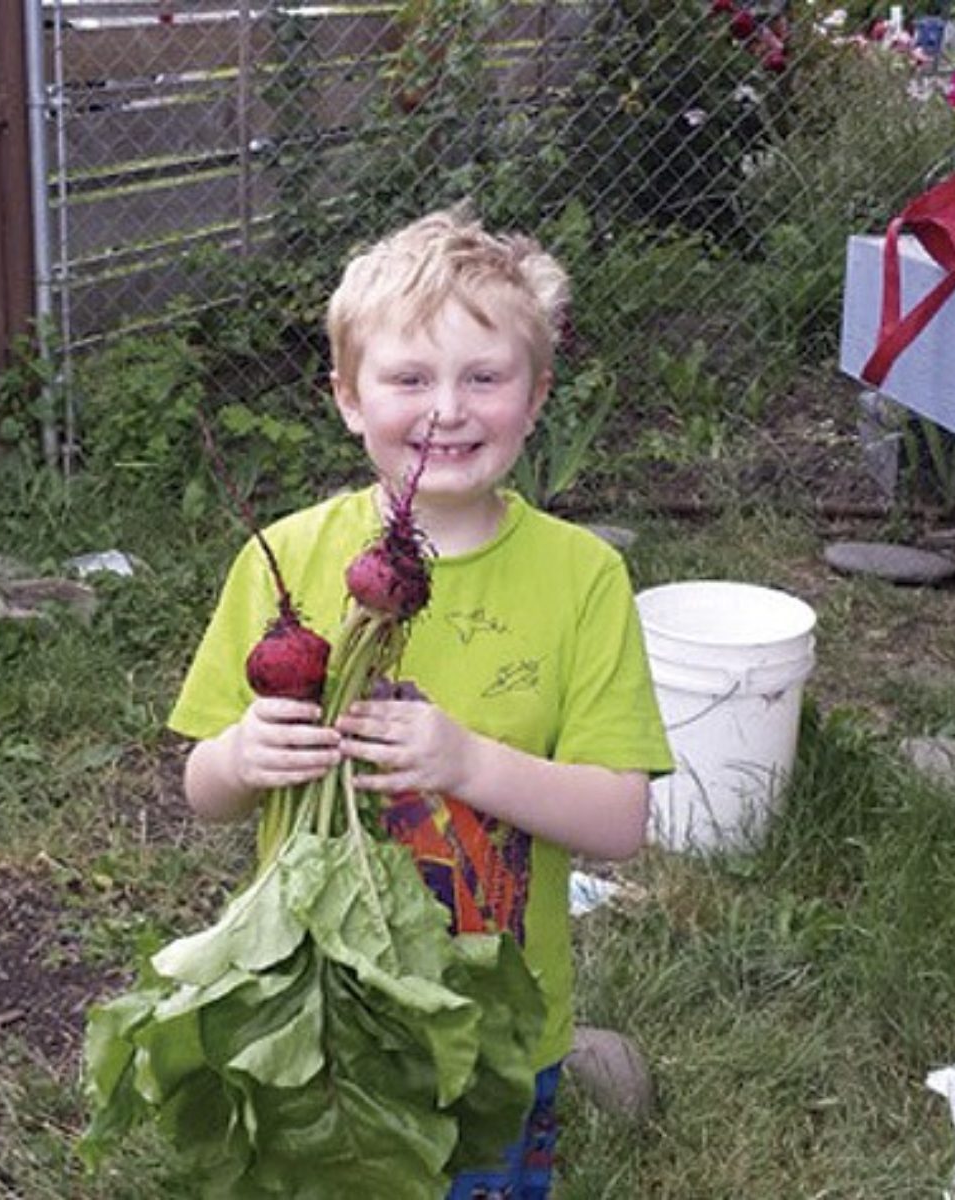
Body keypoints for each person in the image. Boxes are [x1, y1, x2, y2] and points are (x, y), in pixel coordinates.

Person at [168, 207, 674, 1198]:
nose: (447, 409)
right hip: (316, 1009)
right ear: (348, 399)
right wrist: (241, 759)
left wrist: (468, 765)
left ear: (536, 399)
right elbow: (203, 791)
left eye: (484, 377)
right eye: (409, 378)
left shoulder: (583, 579)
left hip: (494, 1023)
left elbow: (619, 822)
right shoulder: (287, 559)